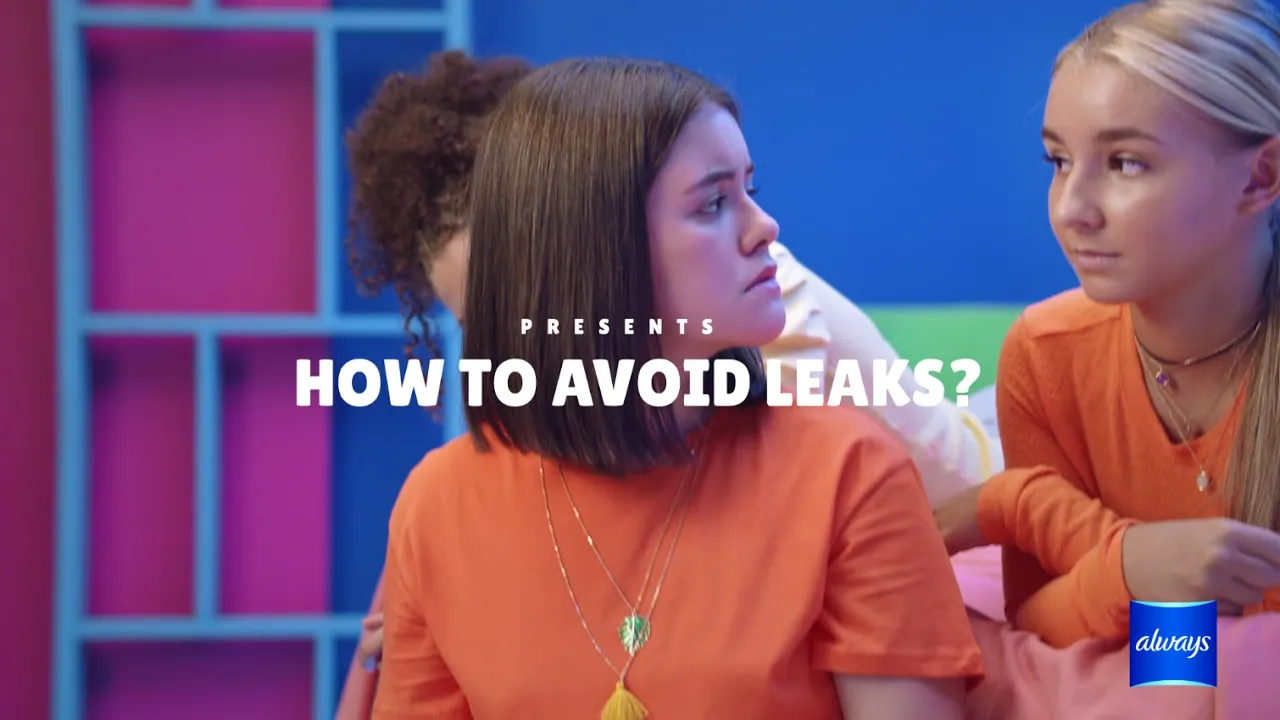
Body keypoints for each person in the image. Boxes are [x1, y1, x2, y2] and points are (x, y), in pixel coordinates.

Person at [336, 49, 996, 719]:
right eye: (481, 314)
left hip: (982, 502)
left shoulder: (781, 339)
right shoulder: (440, 499)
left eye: (741, 192)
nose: (765, 226)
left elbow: (762, 519)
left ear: (574, 254)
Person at [935, 0, 1280, 652]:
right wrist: (1127, 566)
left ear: (1260, 176)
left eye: (1126, 162)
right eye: (1058, 161)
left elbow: (1254, 648)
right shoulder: (1046, 353)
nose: (1071, 210)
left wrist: (1030, 512)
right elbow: (1037, 622)